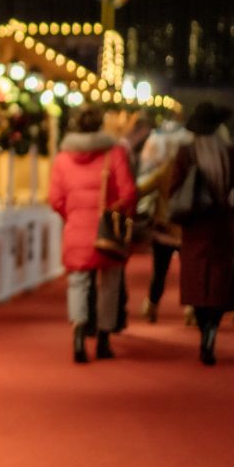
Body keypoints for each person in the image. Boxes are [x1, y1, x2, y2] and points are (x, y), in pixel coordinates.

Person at [48, 104, 137, 363]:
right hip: (107, 230)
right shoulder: (114, 153)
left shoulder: (62, 159)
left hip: (76, 229)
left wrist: (72, 215)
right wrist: (117, 213)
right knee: (109, 284)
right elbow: (128, 192)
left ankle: (78, 334)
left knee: (78, 283)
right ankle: (104, 339)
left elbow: (55, 199)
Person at [168, 102, 234, 366]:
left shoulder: (186, 153)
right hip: (222, 226)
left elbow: (173, 190)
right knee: (218, 285)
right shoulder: (232, 153)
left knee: (196, 285)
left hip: (194, 227)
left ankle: (204, 331)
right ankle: (212, 331)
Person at [138, 124, 186, 322]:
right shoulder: (192, 169)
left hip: (164, 228)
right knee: (189, 272)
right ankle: (191, 309)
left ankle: (152, 306)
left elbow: (143, 188)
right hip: (186, 228)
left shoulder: (165, 169)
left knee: (159, 272)